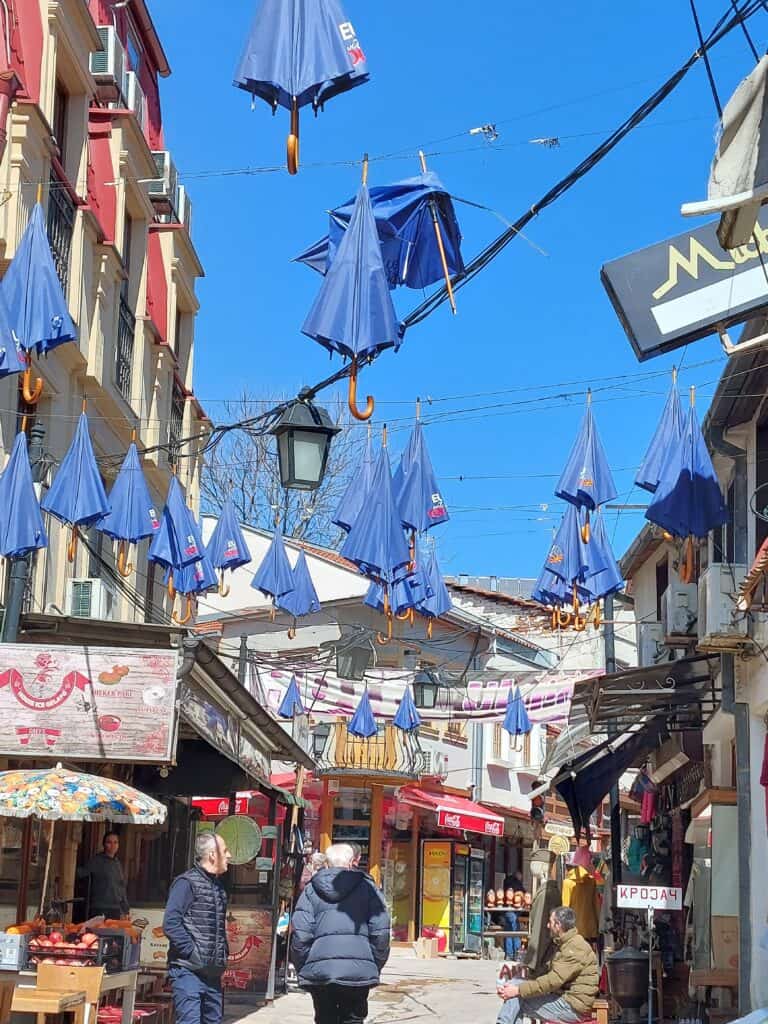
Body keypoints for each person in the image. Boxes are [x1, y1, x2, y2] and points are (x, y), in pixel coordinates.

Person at [291, 842, 390, 1024]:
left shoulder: (311, 891)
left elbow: (301, 935)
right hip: (357, 971)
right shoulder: (368, 889)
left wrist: (303, 965)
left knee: (325, 1018)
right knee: (353, 1019)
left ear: (327, 864)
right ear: (353, 862)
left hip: (321, 972)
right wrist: (374, 963)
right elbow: (381, 932)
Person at [163, 833, 232, 1024]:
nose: (229, 855)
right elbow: (171, 923)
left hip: (213, 974)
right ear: (212, 855)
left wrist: (222, 956)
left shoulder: (218, 886)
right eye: (225, 851)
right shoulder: (186, 883)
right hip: (188, 971)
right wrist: (192, 953)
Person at [497, 906, 598, 1024]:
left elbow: (552, 981)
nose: (548, 926)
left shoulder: (574, 948)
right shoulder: (565, 943)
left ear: (558, 925)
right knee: (516, 988)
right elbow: (547, 972)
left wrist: (518, 990)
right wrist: (517, 985)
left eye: (550, 922)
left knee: (517, 998)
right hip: (565, 998)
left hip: (573, 1006)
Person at [77, 831, 129, 920]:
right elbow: (80, 874)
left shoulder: (117, 863)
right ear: (104, 844)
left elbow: (121, 887)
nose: (113, 845)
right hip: (99, 908)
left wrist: (125, 908)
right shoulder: (96, 861)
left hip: (115, 908)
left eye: (115, 842)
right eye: (109, 842)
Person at [502, 868, 525, 960]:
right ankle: (517, 953)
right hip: (513, 911)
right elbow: (522, 893)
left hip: (506, 909)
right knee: (515, 931)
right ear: (518, 876)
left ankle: (509, 954)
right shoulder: (517, 884)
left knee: (508, 931)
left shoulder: (507, 882)